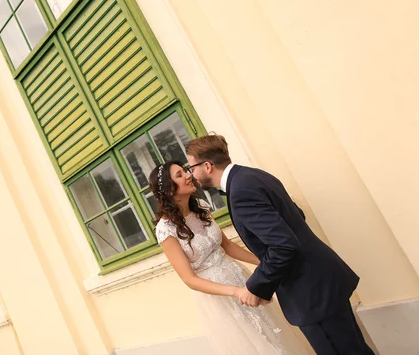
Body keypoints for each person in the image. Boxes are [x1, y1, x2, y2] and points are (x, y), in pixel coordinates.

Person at [185, 134, 373, 354]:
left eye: (191, 167)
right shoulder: (253, 175)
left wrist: (255, 286)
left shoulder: (241, 191)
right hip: (321, 279)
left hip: (309, 289)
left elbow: (284, 245)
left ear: (207, 166)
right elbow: (296, 215)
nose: (192, 175)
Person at [150, 161, 312, 354]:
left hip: (239, 276)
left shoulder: (201, 207)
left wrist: (264, 263)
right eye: (179, 175)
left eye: (186, 170)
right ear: (168, 189)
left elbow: (226, 246)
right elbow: (190, 279)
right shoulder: (165, 229)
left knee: (273, 332)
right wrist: (236, 292)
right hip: (218, 296)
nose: (188, 175)